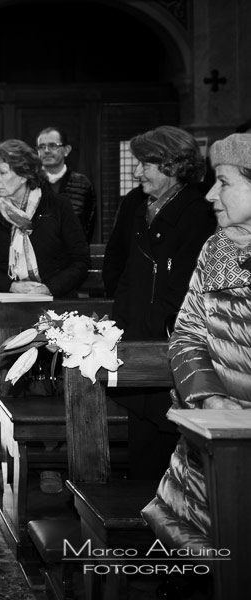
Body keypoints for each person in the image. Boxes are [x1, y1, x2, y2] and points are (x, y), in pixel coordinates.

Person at [141, 133, 251, 552]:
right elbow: (187, 333)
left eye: (223, 182)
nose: (210, 195)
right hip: (206, 448)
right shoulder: (218, 247)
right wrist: (209, 401)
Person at [101, 125, 215, 479]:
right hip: (136, 335)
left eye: (146, 164)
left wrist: (153, 337)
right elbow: (119, 268)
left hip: (167, 342)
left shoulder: (197, 212)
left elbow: (184, 286)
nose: (137, 173)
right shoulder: (137, 205)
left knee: (167, 442)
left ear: (173, 165)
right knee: (143, 437)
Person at [0, 139, 90, 297]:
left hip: (56, 300)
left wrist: (48, 288)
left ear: (23, 176)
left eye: (2, 172)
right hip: (9, 303)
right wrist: (12, 286)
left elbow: (80, 261)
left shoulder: (58, 206)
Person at [36, 127, 96, 240]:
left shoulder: (82, 184)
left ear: (67, 150)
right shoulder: (30, 182)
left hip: (72, 253)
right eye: (41, 147)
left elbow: (88, 225)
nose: (46, 151)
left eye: (53, 145)